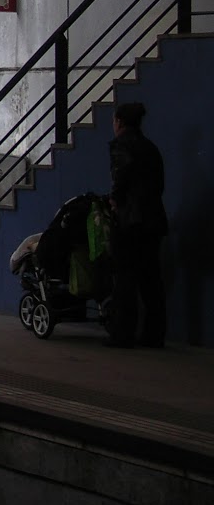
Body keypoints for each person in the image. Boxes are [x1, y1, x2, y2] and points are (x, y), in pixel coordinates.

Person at [105, 101, 168, 348]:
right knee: (151, 280)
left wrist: (114, 201)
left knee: (124, 279)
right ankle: (154, 336)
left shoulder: (121, 145)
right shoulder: (151, 148)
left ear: (119, 121)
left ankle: (123, 334)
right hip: (153, 220)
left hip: (130, 220)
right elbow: (158, 186)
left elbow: (121, 177)